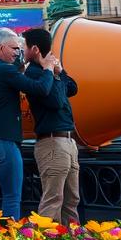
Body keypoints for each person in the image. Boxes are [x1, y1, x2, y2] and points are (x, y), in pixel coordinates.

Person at [0, 27, 56, 219]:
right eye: (14, 48)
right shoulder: (4, 70)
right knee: (12, 196)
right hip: (2, 142)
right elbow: (41, 89)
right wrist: (48, 69)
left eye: (19, 49)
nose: (17, 53)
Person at [22, 28, 80, 225]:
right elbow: (55, 101)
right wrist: (52, 74)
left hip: (67, 141)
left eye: (24, 45)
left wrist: (60, 72)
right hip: (52, 142)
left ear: (35, 48)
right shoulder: (32, 72)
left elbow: (73, 88)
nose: (22, 49)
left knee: (72, 199)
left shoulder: (51, 73)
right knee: (53, 199)